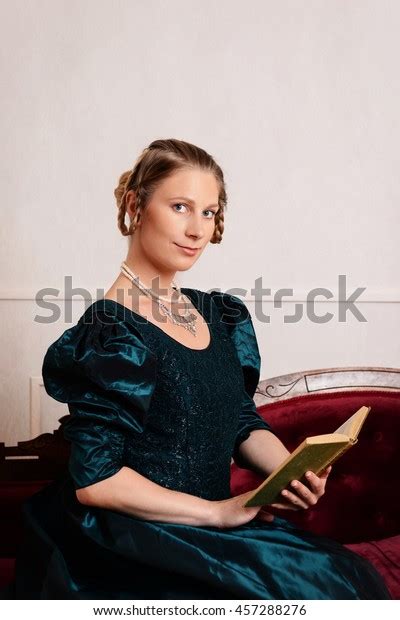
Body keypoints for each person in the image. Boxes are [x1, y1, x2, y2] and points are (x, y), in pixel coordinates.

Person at [11, 139, 391, 599]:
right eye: (180, 206)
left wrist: (290, 472)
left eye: (209, 213)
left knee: (337, 579)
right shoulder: (111, 331)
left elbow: (241, 420)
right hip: (138, 537)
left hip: (217, 522)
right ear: (136, 205)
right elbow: (97, 481)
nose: (196, 230)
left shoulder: (219, 315)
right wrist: (217, 514)